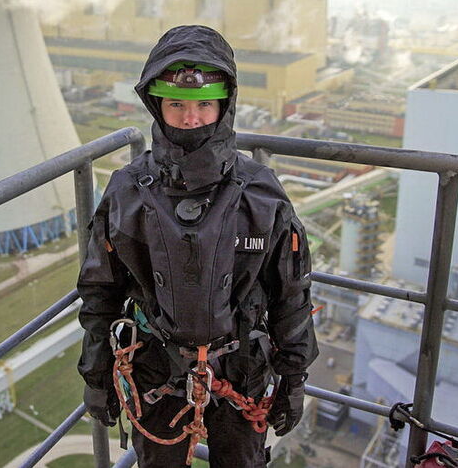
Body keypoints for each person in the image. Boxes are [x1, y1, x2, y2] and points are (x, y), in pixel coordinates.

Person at [77, 25, 318, 467]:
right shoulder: (127, 192)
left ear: (224, 106)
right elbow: (100, 291)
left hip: (241, 372)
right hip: (154, 369)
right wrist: (97, 374)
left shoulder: (260, 195)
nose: (191, 119)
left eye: (204, 104)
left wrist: (293, 378)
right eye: (177, 105)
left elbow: (291, 294)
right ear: (157, 106)